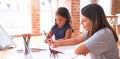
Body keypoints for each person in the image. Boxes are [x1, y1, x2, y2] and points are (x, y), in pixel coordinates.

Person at [49, 4, 120, 59]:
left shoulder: (104, 33)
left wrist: (86, 48)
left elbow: (78, 50)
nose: (80, 23)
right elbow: (76, 40)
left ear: (94, 21)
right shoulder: (94, 31)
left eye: (84, 20)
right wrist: (56, 42)